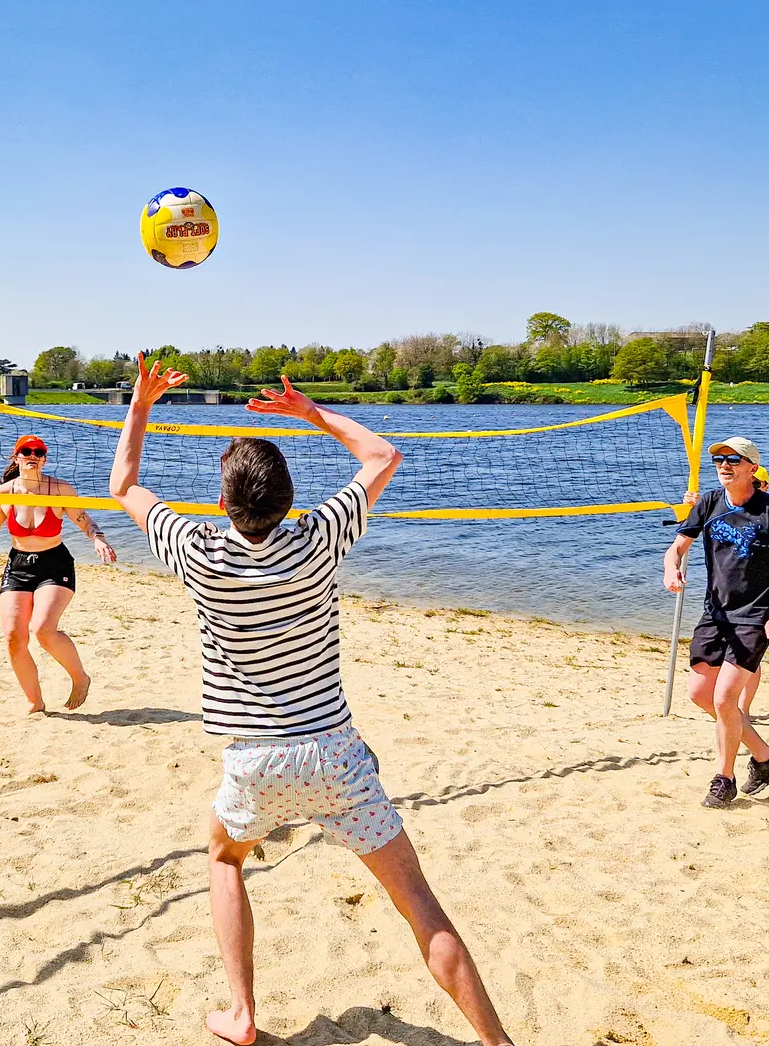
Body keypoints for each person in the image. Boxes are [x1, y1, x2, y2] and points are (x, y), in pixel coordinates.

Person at [109, 355, 513, 1046]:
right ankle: (498, 1044)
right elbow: (382, 453)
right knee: (418, 902)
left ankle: (242, 1015)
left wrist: (142, 404)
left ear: (222, 506)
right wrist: (310, 414)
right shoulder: (321, 538)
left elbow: (123, 484)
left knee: (224, 860)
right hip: (334, 754)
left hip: (255, 761)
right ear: (290, 503)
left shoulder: (198, 549)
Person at [664, 436, 769, 808]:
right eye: (719, 460)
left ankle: (723, 779)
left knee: (725, 699)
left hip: (755, 616)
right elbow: (678, 546)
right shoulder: (710, 502)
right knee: (700, 695)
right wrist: (670, 569)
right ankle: (766, 756)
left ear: (750, 468)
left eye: (733, 460)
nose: (724, 465)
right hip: (715, 613)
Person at [0, 434, 117, 714]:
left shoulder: (60, 489)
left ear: (44, 459)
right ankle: (35, 702)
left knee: (43, 629)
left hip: (54, 564)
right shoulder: (3, 493)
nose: (33, 455)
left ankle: (80, 677)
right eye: (26, 451)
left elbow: (84, 519)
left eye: (38, 452)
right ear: (16, 457)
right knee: (13, 638)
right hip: (18, 565)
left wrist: (97, 538)